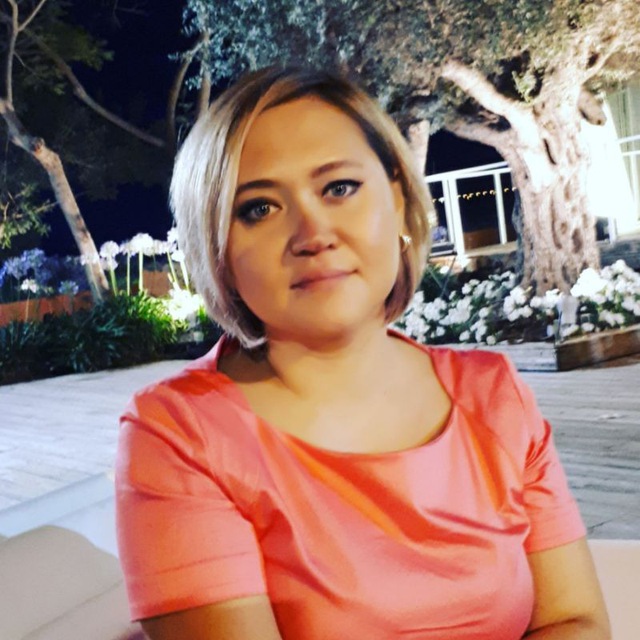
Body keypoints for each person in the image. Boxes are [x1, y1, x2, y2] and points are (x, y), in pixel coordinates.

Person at [115, 66, 610, 640]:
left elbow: (577, 621)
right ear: (218, 249)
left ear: (397, 199)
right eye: (258, 208)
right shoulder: (180, 435)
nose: (313, 233)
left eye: (339, 188)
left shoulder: (493, 395)